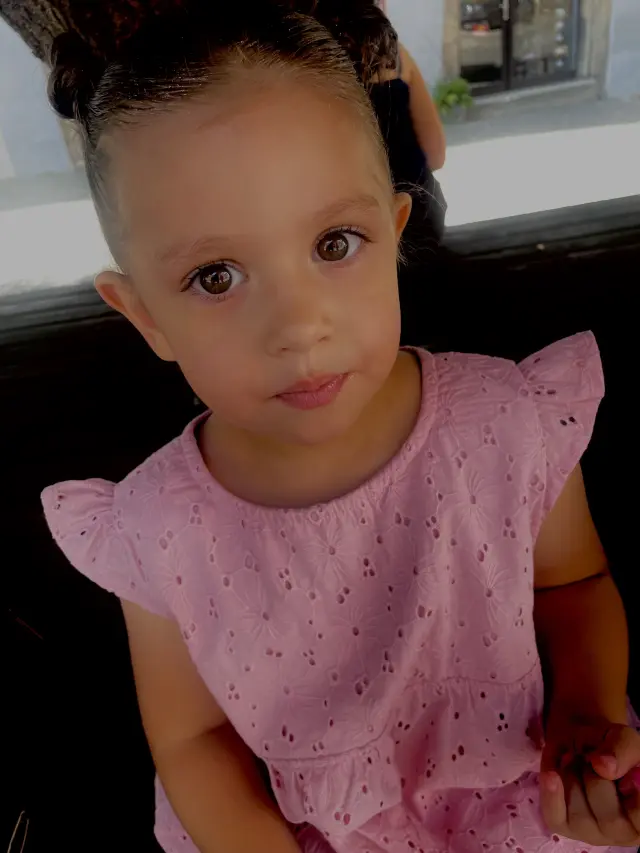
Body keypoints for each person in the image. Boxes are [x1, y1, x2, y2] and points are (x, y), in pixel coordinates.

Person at [41, 2, 639, 852]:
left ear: (393, 234)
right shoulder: (156, 526)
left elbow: (574, 585)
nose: (299, 326)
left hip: (522, 809)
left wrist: (585, 709)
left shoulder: (506, 425)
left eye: (333, 244)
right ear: (143, 316)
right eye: (216, 277)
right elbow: (191, 737)